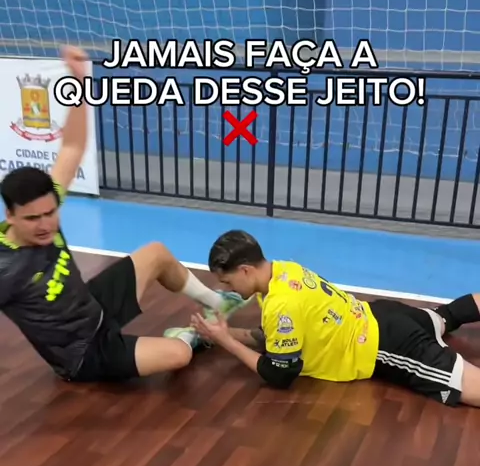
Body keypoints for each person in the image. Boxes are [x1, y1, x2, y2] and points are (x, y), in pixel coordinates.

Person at [0, 46, 247, 384]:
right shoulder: (4, 267)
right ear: (11, 216)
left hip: (93, 303)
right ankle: (193, 335)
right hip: (83, 352)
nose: (46, 224)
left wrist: (79, 83)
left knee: (157, 253)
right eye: (33, 219)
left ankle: (218, 303)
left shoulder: (46, 205)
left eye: (50, 213)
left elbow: (72, 147)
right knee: (180, 355)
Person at [168, 229, 480, 409]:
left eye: (228, 281)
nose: (227, 289)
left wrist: (226, 342)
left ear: (246, 270)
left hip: (387, 345)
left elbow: (279, 374)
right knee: (448, 315)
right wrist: (222, 333)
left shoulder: (281, 304)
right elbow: (273, 338)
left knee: (469, 387)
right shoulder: (284, 271)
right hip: (383, 313)